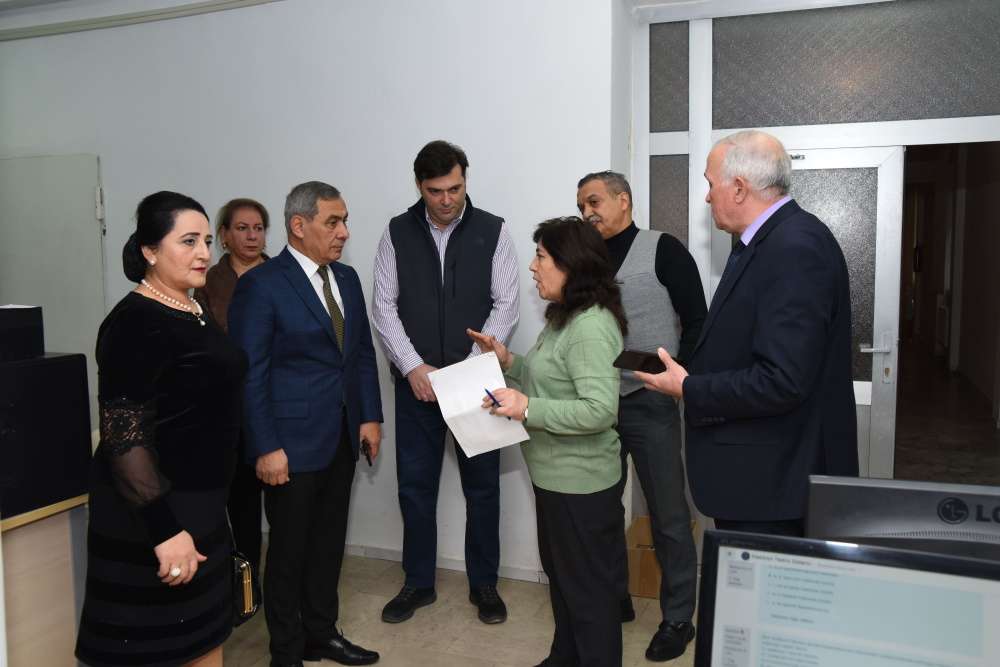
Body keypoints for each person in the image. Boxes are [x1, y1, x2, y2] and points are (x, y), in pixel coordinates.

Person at [636, 130, 858, 536]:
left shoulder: (793, 248)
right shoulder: (769, 242)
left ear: (739, 188)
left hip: (775, 487)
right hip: (762, 481)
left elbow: (782, 380)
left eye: (710, 184)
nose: (707, 197)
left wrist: (688, 388)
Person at [76, 191, 245, 667]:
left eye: (207, 241)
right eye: (188, 241)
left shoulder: (191, 308)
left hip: (203, 508)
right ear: (150, 250)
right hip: (154, 516)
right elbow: (124, 438)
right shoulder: (134, 321)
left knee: (204, 640)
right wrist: (165, 531)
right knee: (158, 649)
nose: (203, 252)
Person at [229, 181, 383, 667]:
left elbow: (360, 353)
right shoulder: (262, 284)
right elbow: (250, 373)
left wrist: (370, 415)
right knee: (289, 551)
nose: (344, 232)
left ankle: (322, 634)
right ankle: (287, 650)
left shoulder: (348, 279)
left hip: (341, 437)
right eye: (332, 222)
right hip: (289, 445)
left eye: (344, 221)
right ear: (299, 226)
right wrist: (265, 446)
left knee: (328, 545)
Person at [372, 140, 518, 625]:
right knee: (415, 489)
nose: (447, 199)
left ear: (465, 180)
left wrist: (470, 369)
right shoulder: (396, 232)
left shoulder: (494, 230)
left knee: (484, 490)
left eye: (455, 188)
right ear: (420, 186)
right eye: (436, 191)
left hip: (477, 383)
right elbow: (384, 306)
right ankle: (417, 583)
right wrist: (413, 366)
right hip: (417, 385)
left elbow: (507, 304)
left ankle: (485, 585)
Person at [469, 217, 627, 667]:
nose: (533, 267)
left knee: (589, 597)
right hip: (555, 479)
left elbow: (599, 410)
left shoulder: (590, 326)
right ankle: (565, 657)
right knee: (565, 584)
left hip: (582, 486)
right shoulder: (564, 317)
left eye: (541, 256)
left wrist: (526, 408)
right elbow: (550, 379)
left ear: (570, 264)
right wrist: (508, 361)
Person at [576, 170, 705, 661]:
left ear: (623, 200)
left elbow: (697, 320)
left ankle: (678, 618)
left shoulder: (662, 249)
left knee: (668, 514)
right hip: (598, 403)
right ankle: (616, 599)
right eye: (581, 205)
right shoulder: (584, 258)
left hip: (651, 402)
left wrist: (680, 379)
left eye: (594, 202)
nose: (587, 212)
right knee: (602, 509)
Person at [194, 197, 270, 576]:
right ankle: (247, 585)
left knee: (287, 506)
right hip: (230, 408)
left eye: (258, 228)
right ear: (224, 235)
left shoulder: (282, 275)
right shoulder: (208, 282)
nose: (252, 236)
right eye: (242, 228)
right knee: (242, 505)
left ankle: (283, 588)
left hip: (277, 406)